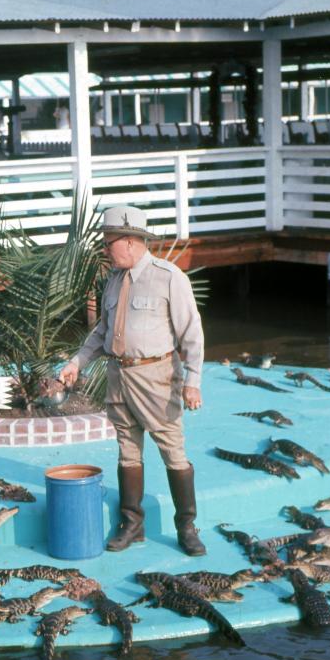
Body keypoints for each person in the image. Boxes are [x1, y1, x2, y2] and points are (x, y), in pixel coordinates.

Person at [59, 205, 206, 556]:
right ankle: (132, 524)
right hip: (117, 374)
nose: (105, 250)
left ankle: (186, 526)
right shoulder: (113, 281)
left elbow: (192, 332)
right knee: (127, 449)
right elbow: (102, 332)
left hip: (156, 376)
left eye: (108, 243)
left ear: (128, 241)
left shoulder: (168, 277)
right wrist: (76, 362)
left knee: (172, 449)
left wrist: (193, 380)